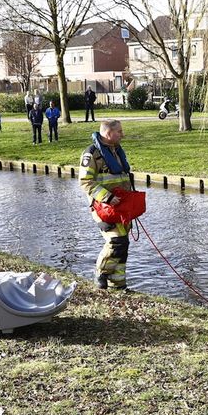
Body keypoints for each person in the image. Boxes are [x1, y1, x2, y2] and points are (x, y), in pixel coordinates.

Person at [79, 119, 134, 291]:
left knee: (123, 246)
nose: (122, 134)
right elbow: (86, 182)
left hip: (122, 208)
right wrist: (108, 198)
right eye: (119, 131)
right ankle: (100, 272)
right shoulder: (92, 154)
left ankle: (118, 286)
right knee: (117, 242)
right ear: (108, 133)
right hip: (104, 208)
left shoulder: (117, 151)